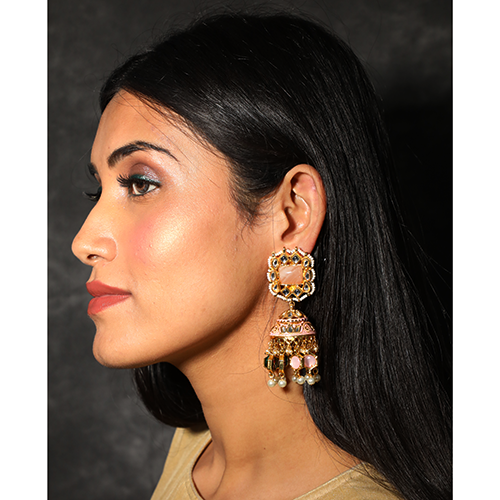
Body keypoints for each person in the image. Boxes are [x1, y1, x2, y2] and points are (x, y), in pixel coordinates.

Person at [72, 9, 451, 500]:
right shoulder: (196, 448)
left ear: (292, 215)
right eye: (97, 191)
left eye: (141, 184)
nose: (84, 242)